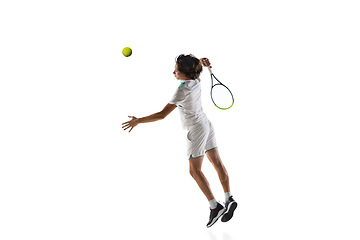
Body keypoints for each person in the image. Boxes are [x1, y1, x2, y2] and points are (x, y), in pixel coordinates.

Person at [122, 54, 237, 228]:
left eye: (176, 70)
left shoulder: (182, 90)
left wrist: (138, 120)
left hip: (196, 130)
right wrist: (203, 64)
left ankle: (215, 206)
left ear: (185, 73)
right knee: (217, 163)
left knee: (194, 171)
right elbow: (194, 68)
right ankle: (229, 198)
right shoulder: (196, 80)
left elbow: (161, 115)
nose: (173, 72)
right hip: (206, 124)